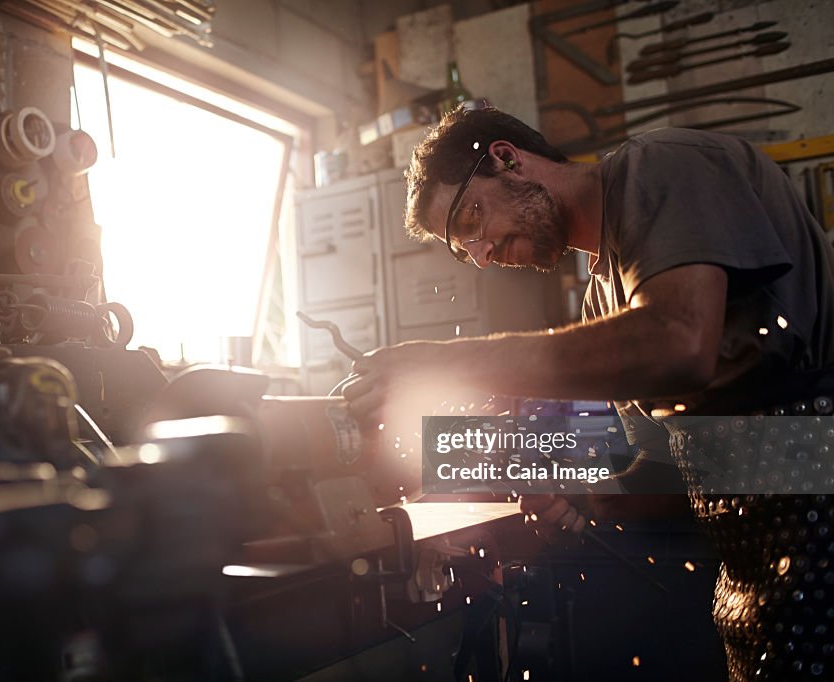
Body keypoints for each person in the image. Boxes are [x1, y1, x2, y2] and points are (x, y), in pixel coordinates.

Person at [342, 107, 834, 681]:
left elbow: (679, 343)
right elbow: (661, 474)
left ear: (506, 158)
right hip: (761, 575)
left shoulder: (662, 166)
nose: (482, 252)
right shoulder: (603, 299)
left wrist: (439, 364)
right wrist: (515, 468)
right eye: (463, 248)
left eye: (471, 217)